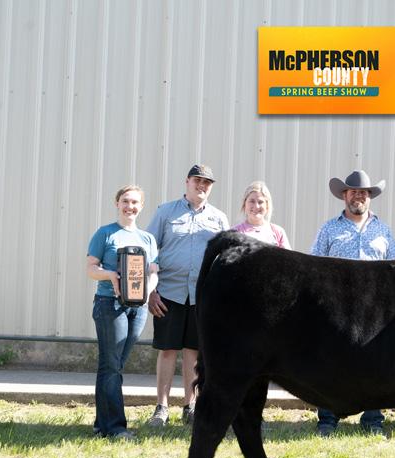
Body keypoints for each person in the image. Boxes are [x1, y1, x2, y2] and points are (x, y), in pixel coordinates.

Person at [312, 169, 395, 437]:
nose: (358, 197)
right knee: (331, 363)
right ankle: (327, 418)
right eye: (353, 192)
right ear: (344, 196)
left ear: (369, 197)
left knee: (374, 364)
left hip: (374, 309)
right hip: (336, 307)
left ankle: (372, 419)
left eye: (363, 193)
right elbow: (314, 265)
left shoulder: (383, 230)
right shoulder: (329, 228)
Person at [145, 164, 229, 427]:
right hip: (168, 293)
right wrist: (150, 291)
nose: (201, 186)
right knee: (168, 350)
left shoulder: (218, 218)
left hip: (201, 296)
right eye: (197, 180)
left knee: (194, 351)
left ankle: (190, 406)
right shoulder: (166, 212)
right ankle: (161, 408)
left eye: (207, 183)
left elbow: (225, 259)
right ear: (187, 182)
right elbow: (148, 250)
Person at [86, 185, 158, 439]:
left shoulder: (147, 239)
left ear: (141, 206)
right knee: (112, 366)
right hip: (110, 304)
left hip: (137, 308)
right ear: (117, 203)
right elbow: (91, 268)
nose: (130, 206)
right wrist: (111, 275)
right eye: (125, 201)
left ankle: (101, 425)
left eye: (135, 202)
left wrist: (148, 291)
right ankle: (116, 428)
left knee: (113, 365)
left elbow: (153, 272)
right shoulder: (105, 233)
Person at [233, 180, 291, 248]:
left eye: (260, 202)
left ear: (267, 205)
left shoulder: (278, 232)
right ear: (244, 204)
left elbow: (287, 254)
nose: (256, 206)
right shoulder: (234, 233)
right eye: (252, 201)